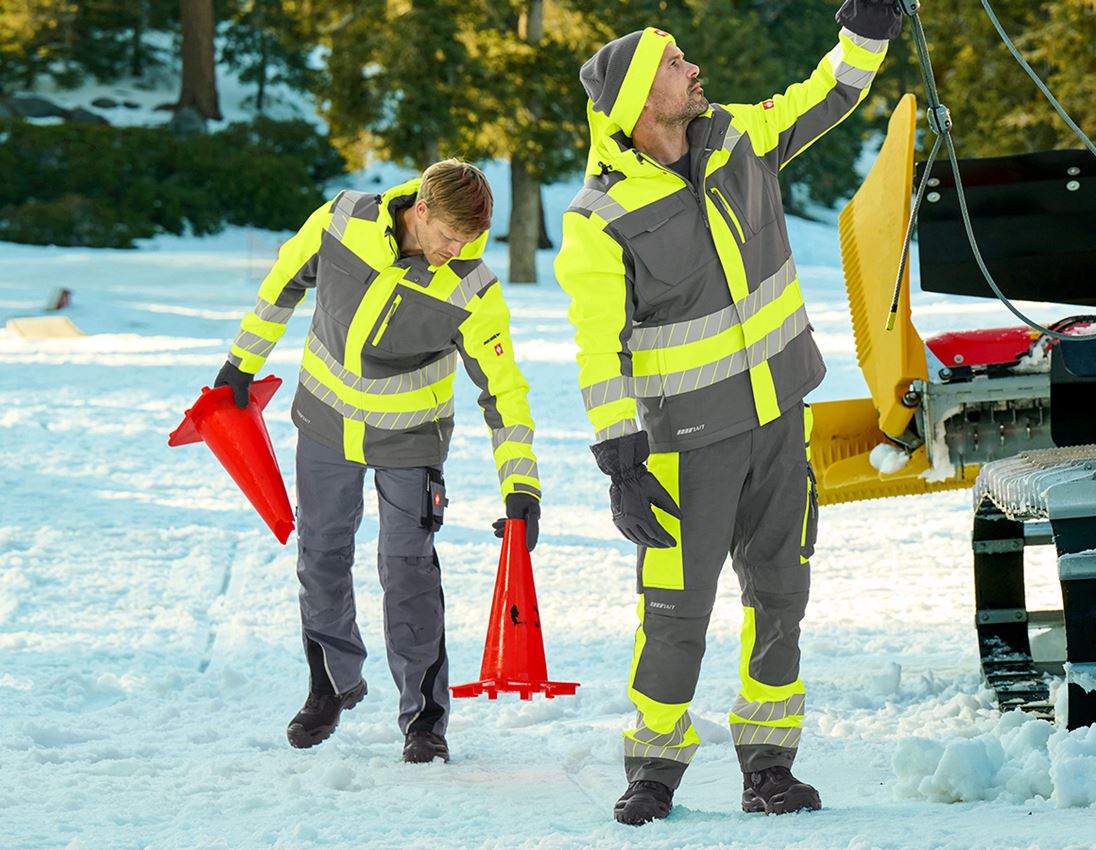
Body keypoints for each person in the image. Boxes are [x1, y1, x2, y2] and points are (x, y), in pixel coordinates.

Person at [554, 0, 903, 825]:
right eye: (676, 63)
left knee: (781, 592)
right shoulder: (597, 217)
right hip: (684, 447)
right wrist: (620, 460)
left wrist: (868, 32)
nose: (693, 69)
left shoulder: (739, 136)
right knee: (676, 612)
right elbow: (596, 348)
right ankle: (654, 768)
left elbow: (827, 95)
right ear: (643, 99)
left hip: (780, 420)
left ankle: (769, 767)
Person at [214, 159, 541, 764]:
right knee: (321, 554)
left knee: (409, 570)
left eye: (470, 240)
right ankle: (332, 684)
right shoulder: (344, 219)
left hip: (410, 440)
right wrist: (242, 361)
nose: (456, 250)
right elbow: (285, 278)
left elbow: (504, 389)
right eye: (448, 236)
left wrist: (521, 484)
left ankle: (424, 719)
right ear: (419, 209)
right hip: (325, 425)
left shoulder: (472, 287)